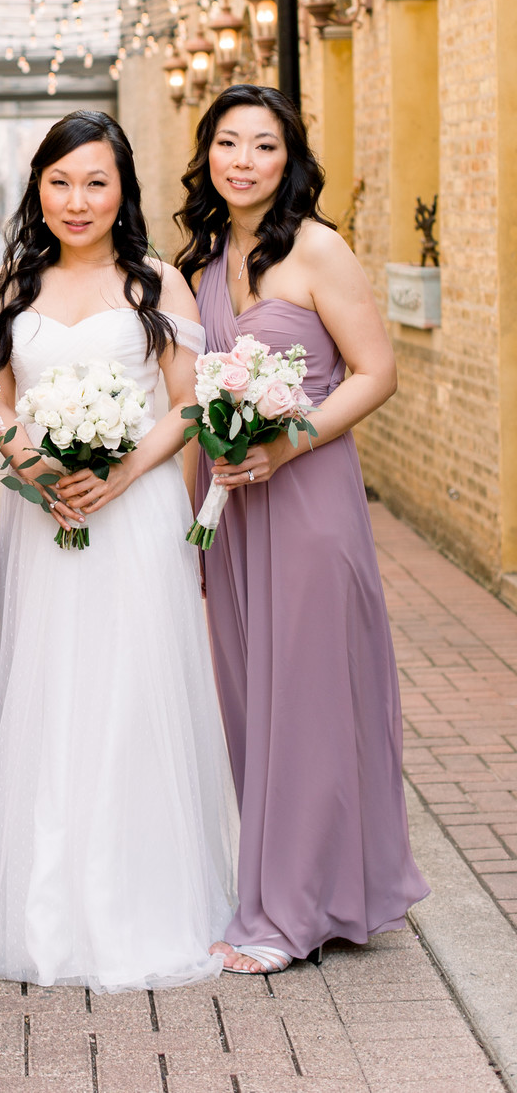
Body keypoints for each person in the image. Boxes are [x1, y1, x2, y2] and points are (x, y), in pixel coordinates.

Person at [0, 111, 236, 992]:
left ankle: (139, 903)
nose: (77, 201)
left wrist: (120, 476)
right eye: (61, 182)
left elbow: (188, 405)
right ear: (39, 187)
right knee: (48, 693)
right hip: (41, 518)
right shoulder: (15, 285)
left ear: (124, 193)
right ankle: (42, 912)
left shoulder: (160, 284)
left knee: (131, 693)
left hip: (137, 512)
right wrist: (26, 458)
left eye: (96, 183)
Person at [176, 84, 428, 975]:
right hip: (231, 514)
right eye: (228, 144)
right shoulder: (201, 260)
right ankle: (297, 885)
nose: (243, 161)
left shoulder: (318, 248)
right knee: (253, 698)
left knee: (312, 696)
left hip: (308, 501)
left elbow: (377, 371)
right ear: (206, 153)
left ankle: (293, 914)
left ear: (290, 162)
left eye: (264, 147)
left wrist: (291, 443)